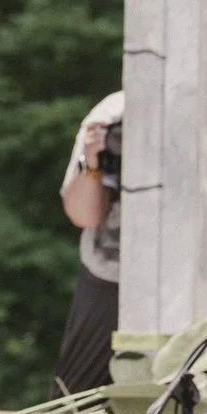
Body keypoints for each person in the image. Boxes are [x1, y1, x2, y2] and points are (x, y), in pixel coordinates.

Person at [54, 92, 125, 397]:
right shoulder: (115, 112)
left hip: (194, 278)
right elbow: (84, 215)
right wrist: (92, 162)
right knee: (76, 401)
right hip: (112, 276)